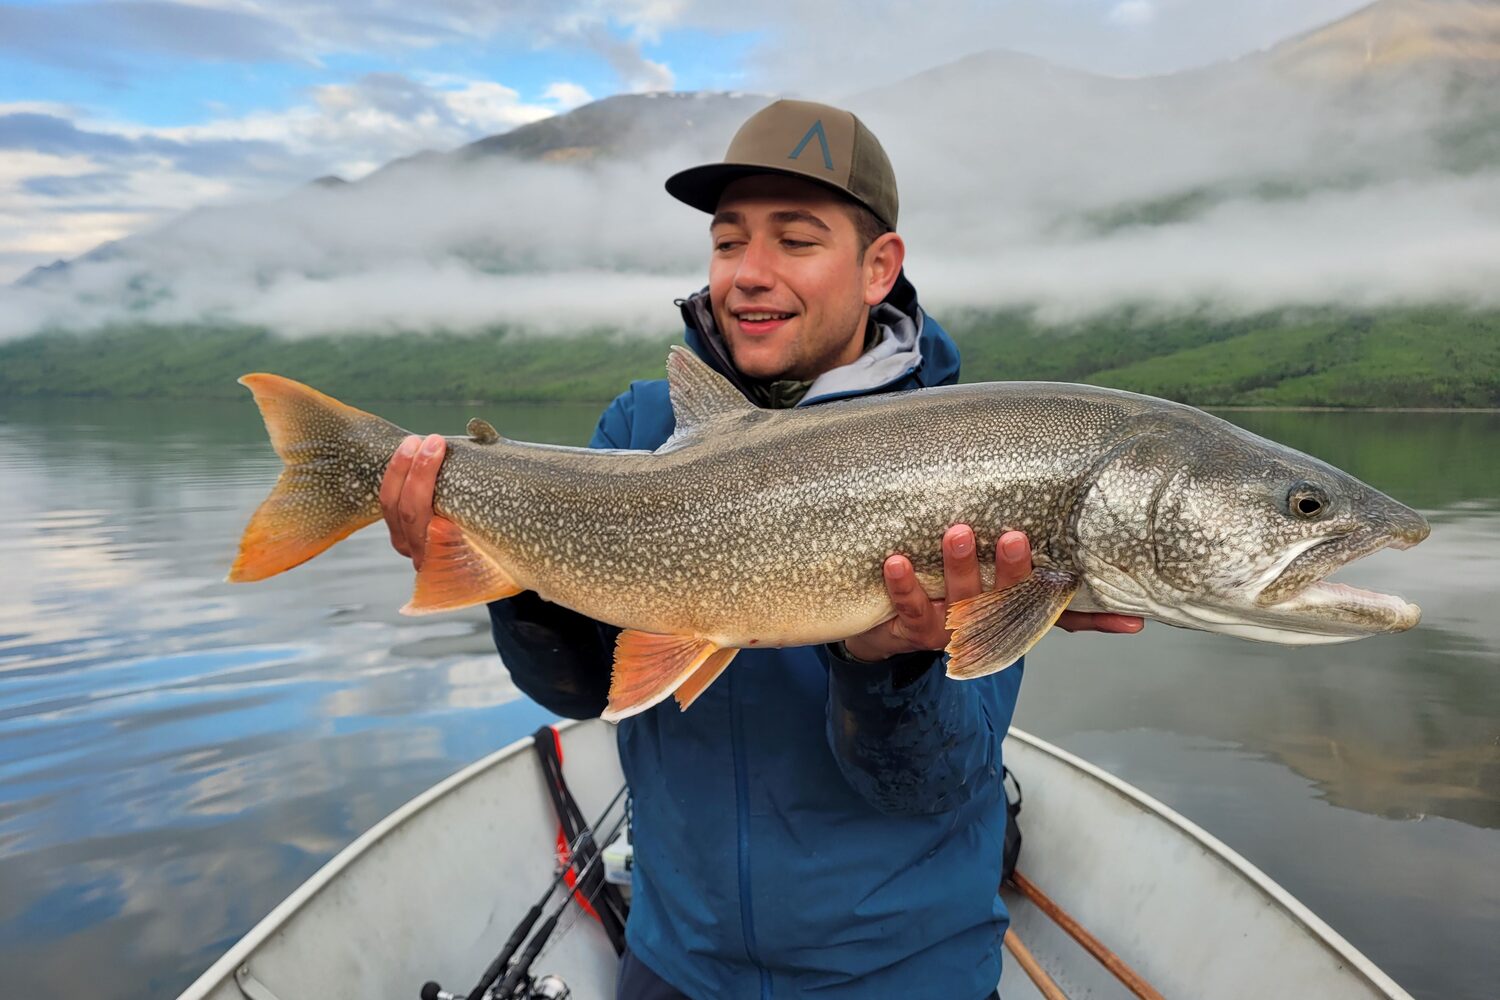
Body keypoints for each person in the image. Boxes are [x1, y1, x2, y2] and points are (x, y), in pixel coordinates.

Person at [380, 100, 1142, 1000]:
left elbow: (931, 785)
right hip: (675, 959)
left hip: (900, 971)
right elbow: (581, 689)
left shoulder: (977, 457)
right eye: (729, 240)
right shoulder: (643, 428)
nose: (749, 273)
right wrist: (498, 562)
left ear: (878, 267)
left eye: (797, 240)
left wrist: (883, 665)